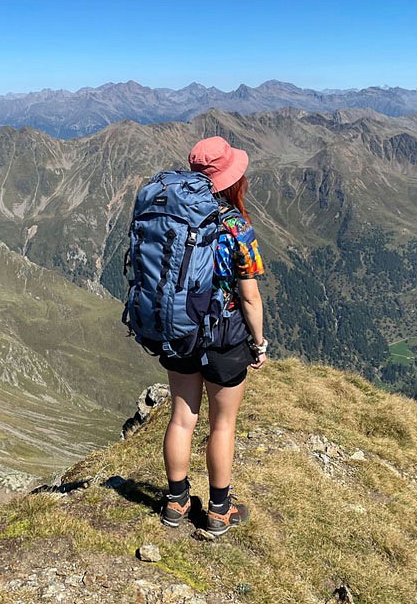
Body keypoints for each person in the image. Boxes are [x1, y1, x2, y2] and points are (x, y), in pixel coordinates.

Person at [160, 136, 268, 536]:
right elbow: (250, 296)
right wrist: (258, 344)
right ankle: (220, 511)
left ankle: (176, 502)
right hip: (225, 338)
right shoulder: (237, 227)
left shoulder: (174, 217)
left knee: (182, 418)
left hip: (180, 332)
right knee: (222, 425)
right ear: (232, 180)